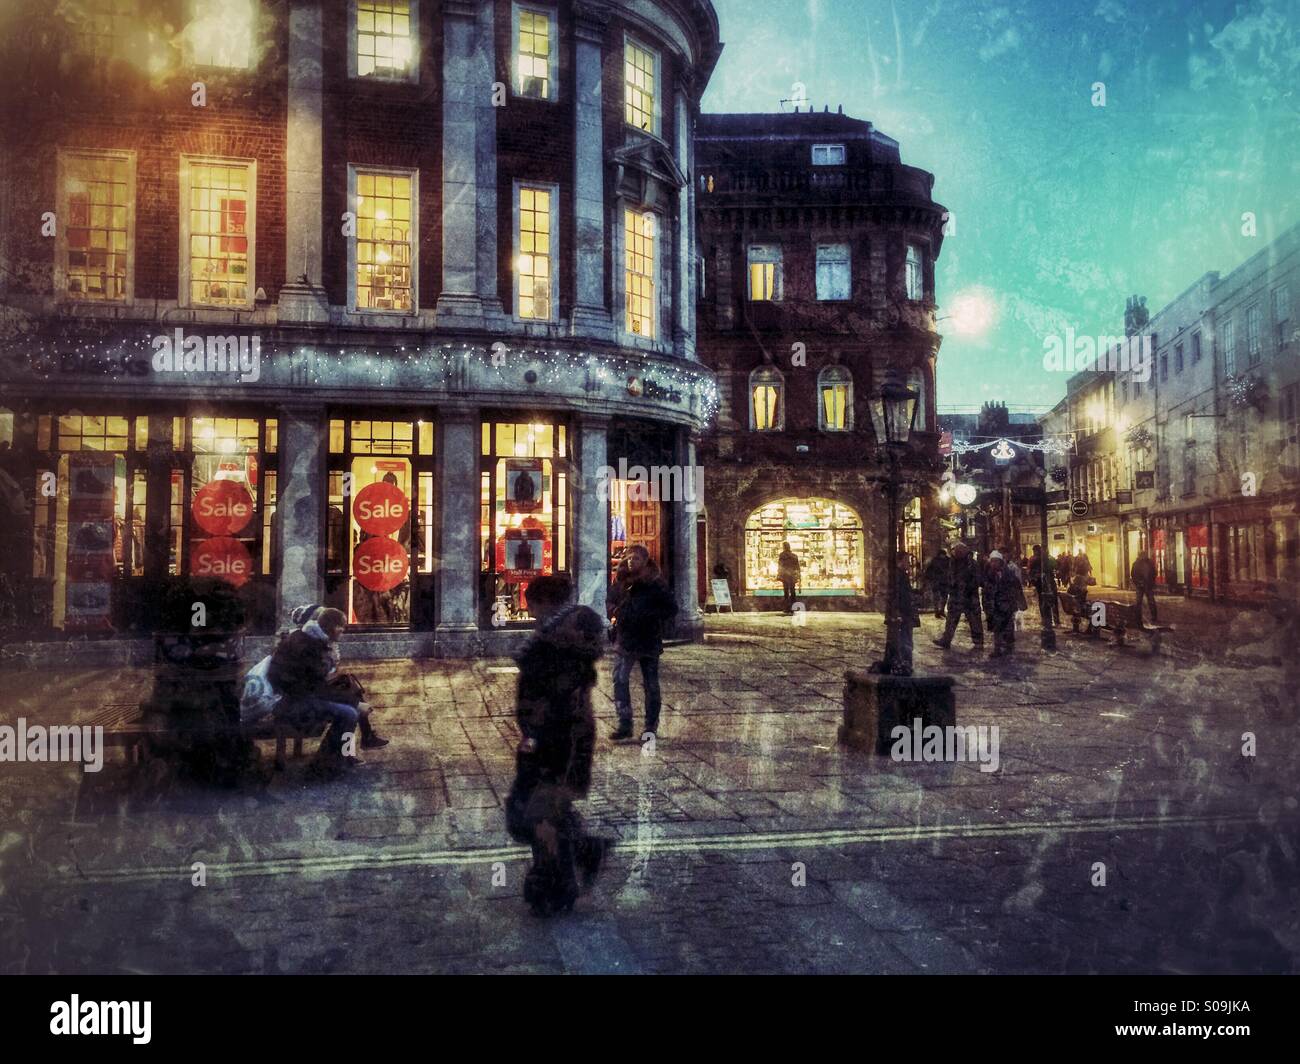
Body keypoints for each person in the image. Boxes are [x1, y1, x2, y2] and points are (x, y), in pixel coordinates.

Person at [504, 575, 614, 917]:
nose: (530, 610)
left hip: (559, 738)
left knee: (536, 811)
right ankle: (579, 857)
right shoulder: (558, 634)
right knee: (546, 809)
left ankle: (555, 882)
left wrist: (534, 733)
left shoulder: (558, 641)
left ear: (541, 602)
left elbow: (558, 697)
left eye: (532, 603)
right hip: (561, 735)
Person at [268, 607, 365, 778]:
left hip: (299, 697)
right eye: (340, 626)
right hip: (294, 703)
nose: (343, 630)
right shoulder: (309, 646)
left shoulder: (311, 639)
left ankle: (345, 755)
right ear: (330, 627)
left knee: (352, 705)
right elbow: (317, 688)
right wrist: (355, 703)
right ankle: (325, 763)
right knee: (350, 713)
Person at [607, 545, 678, 741]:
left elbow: (671, 608)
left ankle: (650, 726)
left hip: (648, 639)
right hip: (625, 639)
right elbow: (610, 601)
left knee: (651, 684)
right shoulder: (621, 581)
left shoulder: (655, 584)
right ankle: (624, 723)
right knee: (620, 679)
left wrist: (648, 616)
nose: (631, 561)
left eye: (636, 558)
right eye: (629, 558)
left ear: (645, 561)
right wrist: (615, 611)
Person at [933, 542, 984, 649]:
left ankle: (978, 641)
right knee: (951, 620)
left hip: (969, 597)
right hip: (956, 597)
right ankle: (946, 640)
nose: (956, 553)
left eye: (958, 551)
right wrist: (951, 585)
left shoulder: (972, 564)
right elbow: (948, 576)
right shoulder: (952, 563)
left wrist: (967, 586)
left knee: (974, 620)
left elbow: (977, 579)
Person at [985, 551, 1027, 658]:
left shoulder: (1009, 574)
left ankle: (1007, 647)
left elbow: (1017, 588)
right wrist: (987, 605)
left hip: (1007, 605)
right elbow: (986, 591)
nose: (993, 564)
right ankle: (998, 649)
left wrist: (1020, 603)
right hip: (996, 606)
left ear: (1000, 562)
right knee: (997, 628)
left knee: (1007, 628)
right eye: (992, 561)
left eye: (995, 561)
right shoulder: (989, 574)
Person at [1030, 545, 1060, 627]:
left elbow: (1031, 572)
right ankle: (1053, 619)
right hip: (1046, 583)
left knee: (1045, 601)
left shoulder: (1037, 560)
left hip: (1044, 583)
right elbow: (1056, 567)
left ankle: (1047, 619)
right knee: (1051, 601)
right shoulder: (1048, 558)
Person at [1131, 549, 1158, 626]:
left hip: (1147, 585)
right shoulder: (1136, 564)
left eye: (1144, 554)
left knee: (1149, 601)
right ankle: (1138, 617)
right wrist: (1138, 583)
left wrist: (1150, 582)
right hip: (1141, 585)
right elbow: (1133, 575)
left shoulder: (1149, 563)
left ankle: (1153, 616)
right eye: (1142, 554)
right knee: (1139, 602)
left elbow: (1154, 573)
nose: (1143, 556)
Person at [923, 548, 951, 618]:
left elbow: (928, 571)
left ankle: (940, 610)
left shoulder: (938, 560)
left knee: (941, 597)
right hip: (939, 581)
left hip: (941, 581)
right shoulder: (937, 561)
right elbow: (929, 571)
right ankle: (938, 611)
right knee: (939, 597)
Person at [776, 541, 801, 614]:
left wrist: (779, 574)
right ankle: (794, 608)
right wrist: (798, 576)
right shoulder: (794, 556)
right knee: (793, 592)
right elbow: (797, 567)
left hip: (785, 576)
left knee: (786, 593)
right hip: (792, 576)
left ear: (784, 547)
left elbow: (780, 566)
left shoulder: (782, 555)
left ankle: (787, 608)